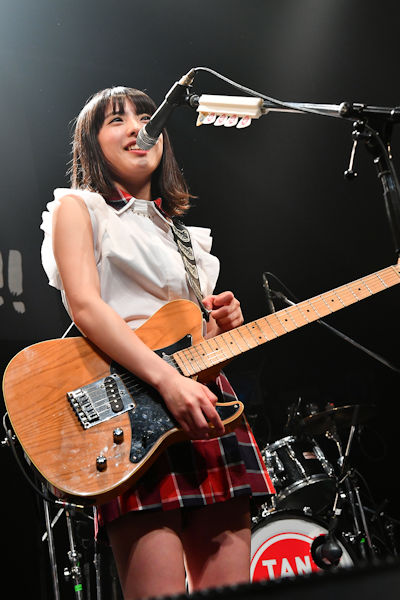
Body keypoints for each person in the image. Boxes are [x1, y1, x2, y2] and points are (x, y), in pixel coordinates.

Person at [41, 86, 275, 600]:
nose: (137, 128)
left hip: (203, 403)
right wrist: (167, 380)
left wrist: (223, 331)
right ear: (91, 143)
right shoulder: (79, 209)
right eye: (116, 120)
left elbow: (198, 347)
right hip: (131, 408)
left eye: (147, 117)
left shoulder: (186, 239)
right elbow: (86, 308)